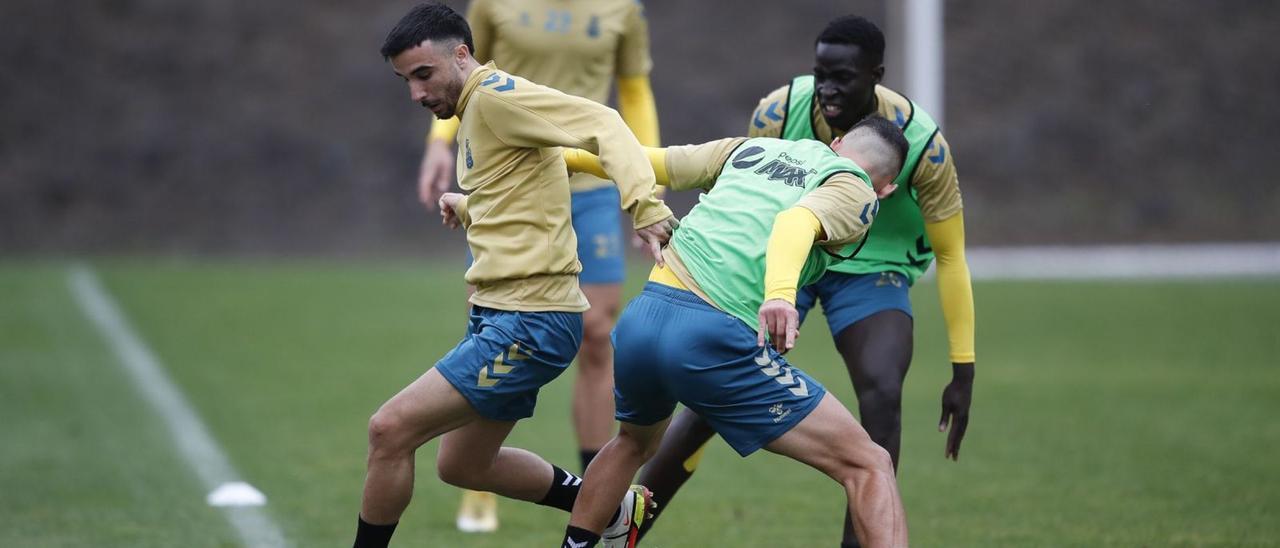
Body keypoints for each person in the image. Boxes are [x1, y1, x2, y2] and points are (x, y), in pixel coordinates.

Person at [634, 15, 976, 547]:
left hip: (870, 265)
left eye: (842, 77)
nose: (827, 89)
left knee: (883, 393)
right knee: (707, 396)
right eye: (820, 75)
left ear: (877, 76)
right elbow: (743, 201)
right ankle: (630, 527)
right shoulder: (779, 111)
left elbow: (951, 256)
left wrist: (963, 366)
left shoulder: (923, 145)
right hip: (783, 257)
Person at [353, 4, 676, 547]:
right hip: (501, 317)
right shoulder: (477, 109)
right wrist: (470, 203)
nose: (416, 93)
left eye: (423, 74)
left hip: (529, 324)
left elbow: (603, 122)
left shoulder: (499, 97)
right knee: (463, 465)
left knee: (389, 430)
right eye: (406, 80)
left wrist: (645, 206)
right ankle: (616, 507)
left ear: (462, 53)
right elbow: (529, 183)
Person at [555, 117, 911, 548]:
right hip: (709, 335)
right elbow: (795, 223)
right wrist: (780, 295)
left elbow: (653, 162)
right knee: (870, 463)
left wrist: (565, 156)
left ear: (835, 142)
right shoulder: (856, 188)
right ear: (886, 189)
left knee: (631, 443)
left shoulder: (753, 149)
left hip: (644, 316)